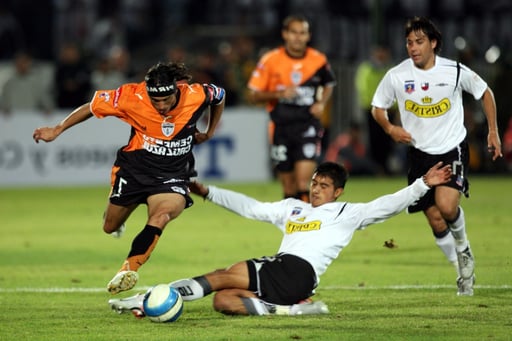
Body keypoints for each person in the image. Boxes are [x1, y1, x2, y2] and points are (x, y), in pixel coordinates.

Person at [108, 161, 452, 317]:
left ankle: (148, 298)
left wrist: (423, 183)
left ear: (338, 192)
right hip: (291, 279)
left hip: (298, 271)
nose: (315, 189)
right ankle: (292, 310)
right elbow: (253, 208)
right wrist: (209, 192)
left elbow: (387, 205)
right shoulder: (293, 208)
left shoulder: (348, 212)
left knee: (221, 275)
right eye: (314, 183)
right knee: (224, 301)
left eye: (323, 186)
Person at [32, 62, 226, 295]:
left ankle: (128, 269)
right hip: (134, 171)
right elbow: (91, 106)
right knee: (109, 226)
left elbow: (220, 96)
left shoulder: (195, 94)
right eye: (156, 101)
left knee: (161, 215)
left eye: (167, 100)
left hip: (171, 175)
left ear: (177, 90)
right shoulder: (131, 96)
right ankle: (119, 221)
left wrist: (211, 130)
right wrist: (57, 129)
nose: (162, 106)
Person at [370, 16, 503, 296]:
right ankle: (462, 271)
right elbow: (377, 107)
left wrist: (493, 131)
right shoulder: (397, 75)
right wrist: (390, 128)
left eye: (419, 42)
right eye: (409, 42)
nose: (413, 47)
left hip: (451, 147)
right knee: (434, 218)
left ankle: (464, 247)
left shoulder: (454, 71)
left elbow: (485, 93)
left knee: (446, 205)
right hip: (419, 154)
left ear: (433, 43)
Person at [247, 14, 337, 203]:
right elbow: (253, 95)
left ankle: (305, 228)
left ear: (308, 36)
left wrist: (321, 103)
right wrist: (278, 94)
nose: (298, 37)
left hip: (308, 126)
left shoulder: (318, 60)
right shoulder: (271, 60)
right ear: (285, 34)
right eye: (294, 32)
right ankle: (292, 226)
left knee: (304, 184)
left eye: (302, 33)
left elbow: (329, 83)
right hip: (280, 128)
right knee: (288, 187)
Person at [354, 45, 395, 174]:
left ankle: (384, 167)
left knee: (388, 139)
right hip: (373, 109)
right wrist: (375, 104)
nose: (381, 54)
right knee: (374, 138)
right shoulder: (366, 68)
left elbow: (397, 89)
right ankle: (376, 167)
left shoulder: (390, 69)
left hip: (389, 110)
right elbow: (363, 87)